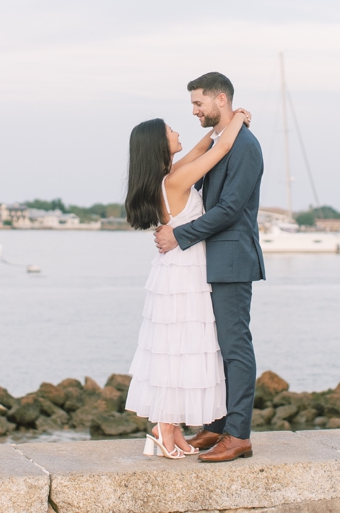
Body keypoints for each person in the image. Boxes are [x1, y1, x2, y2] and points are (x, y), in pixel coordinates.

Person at [121, 88, 253, 459]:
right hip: (184, 273)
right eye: (170, 131)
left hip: (177, 269)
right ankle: (166, 427)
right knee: (182, 348)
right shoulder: (175, 181)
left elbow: (204, 147)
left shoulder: (170, 175)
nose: (178, 132)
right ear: (160, 145)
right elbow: (221, 151)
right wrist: (238, 119)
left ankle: (169, 428)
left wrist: (219, 125)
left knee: (174, 348)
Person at [154, 72, 265, 463]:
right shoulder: (222, 141)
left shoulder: (245, 146)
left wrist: (179, 236)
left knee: (235, 346)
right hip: (209, 259)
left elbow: (230, 209)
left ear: (221, 100)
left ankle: (239, 435)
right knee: (215, 346)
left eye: (198, 103)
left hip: (232, 259)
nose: (194, 111)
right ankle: (217, 424)